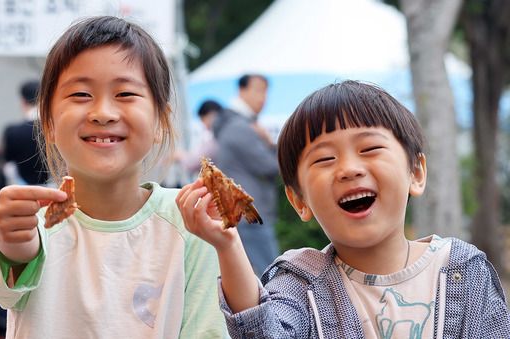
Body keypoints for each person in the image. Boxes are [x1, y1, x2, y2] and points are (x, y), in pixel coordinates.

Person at [177, 80, 510, 338]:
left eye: (370, 148)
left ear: (416, 173)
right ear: (299, 201)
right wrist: (228, 244)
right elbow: (262, 331)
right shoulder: (300, 281)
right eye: (325, 159)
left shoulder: (462, 270)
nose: (349, 169)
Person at [0, 16, 227, 338]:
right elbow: (2, 289)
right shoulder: (28, 217)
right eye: (81, 94)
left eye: (125, 94)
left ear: (160, 122)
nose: (103, 112)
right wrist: (13, 245)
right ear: (49, 123)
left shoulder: (191, 220)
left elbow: (208, 330)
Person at [211, 74, 280, 275]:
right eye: (258, 90)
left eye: (266, 91)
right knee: (271, 276)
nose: (263, 97)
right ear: (241, 91)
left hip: (243, 212)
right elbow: (270, 165)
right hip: (250, 214)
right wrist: (270, 144)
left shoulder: (232, 124)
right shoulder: (240, 127)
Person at [0, 79, 49, 186]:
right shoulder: (54, 129)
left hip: (23, 190)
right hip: (55, 190)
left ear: (23, 102)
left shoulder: (12, 132)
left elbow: (8, 167)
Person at [174, 99, 222, 177]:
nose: (204, 125)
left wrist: (180, 155)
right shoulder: (227, 132)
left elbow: (194, 162)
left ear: (212, 115)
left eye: (203, 120)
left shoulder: (215, 138)